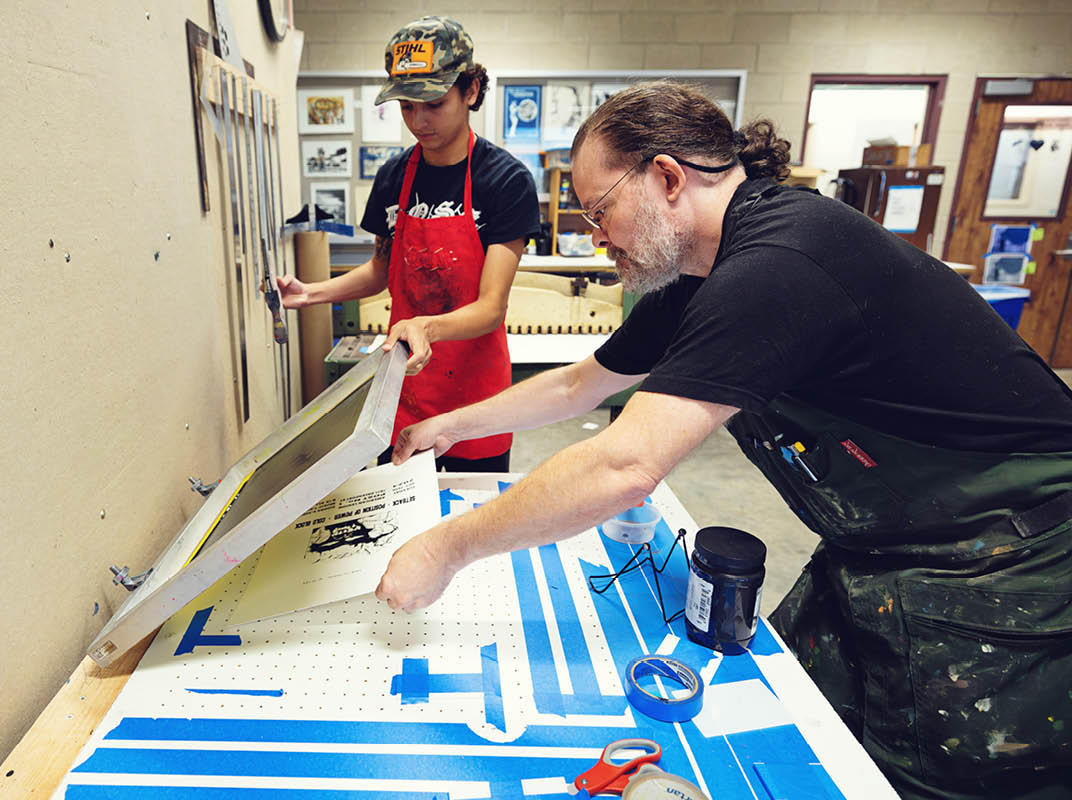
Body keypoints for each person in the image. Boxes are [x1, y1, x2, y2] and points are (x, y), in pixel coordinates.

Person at [375, 80, 1072, 800]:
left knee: (917, 776)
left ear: (667, 177)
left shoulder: (783, 261)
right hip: (886, 550)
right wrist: (447, 427)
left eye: (600, 210)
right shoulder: (701, 277)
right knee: (794, 727)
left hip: (1009, 564)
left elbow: (624, 463)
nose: (595, 235)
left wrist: (447, 547)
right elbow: (578, 386)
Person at [277, 16, 540, 472]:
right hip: (404, 390)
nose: (419, 121)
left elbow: (491, 306)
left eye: (434, 104)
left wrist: (426, 327)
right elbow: (382, 271)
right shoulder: (394, 176)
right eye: (406, 107)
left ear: (471, 90)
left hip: (474, 402)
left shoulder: (504, 180)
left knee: (467, 523)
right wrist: (313, 292)